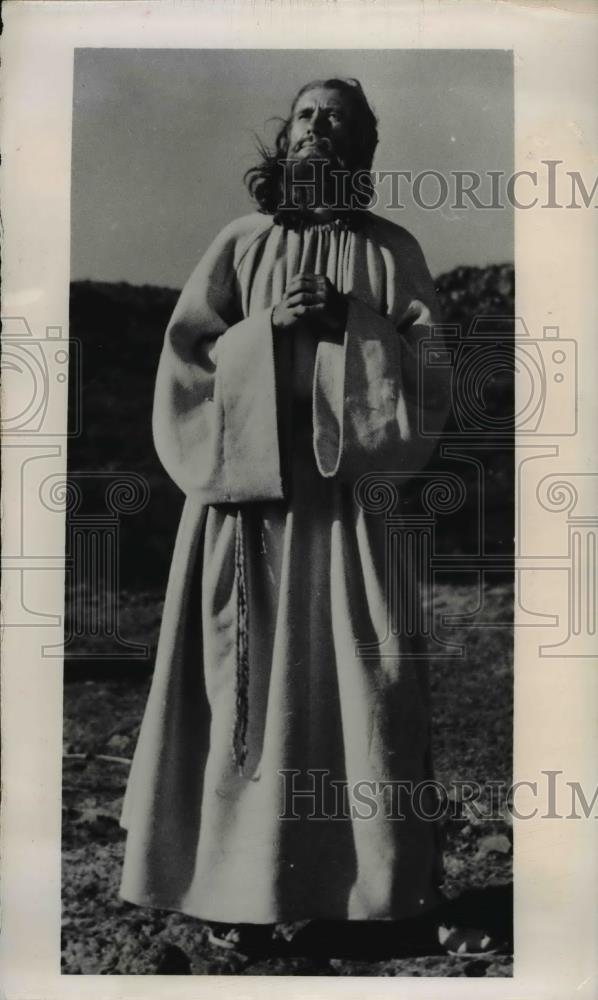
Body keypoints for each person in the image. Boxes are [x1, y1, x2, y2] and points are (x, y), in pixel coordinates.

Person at [119, 77, 496, 959]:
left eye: (338, 119)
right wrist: (266, 333)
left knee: (367, 691)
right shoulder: (238, 245)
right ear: (283, 139)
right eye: (304, 114)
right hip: (251, 514)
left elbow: (431, 377)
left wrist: (354, 324)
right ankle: (230, 893)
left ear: (364, 150)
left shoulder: (392, 252)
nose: (317, 127)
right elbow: (187, 365)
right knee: (243, 701)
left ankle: (367, 893)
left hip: (354, 520)